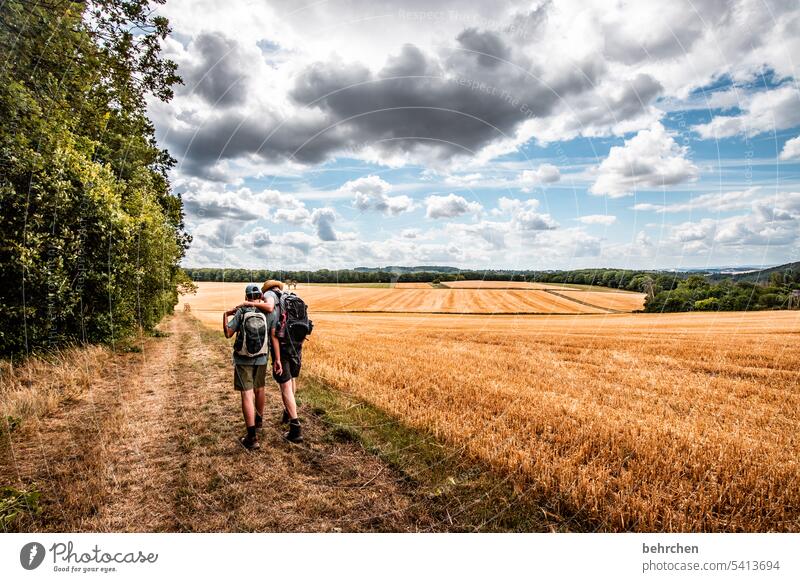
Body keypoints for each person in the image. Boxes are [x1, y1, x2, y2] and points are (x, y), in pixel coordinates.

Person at [239, 279, 303, 443]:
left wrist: (245, 303)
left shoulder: (269, 295)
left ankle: (295, 428)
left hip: (281, 346)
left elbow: (269, 311)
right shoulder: (287, 295)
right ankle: (288, 414)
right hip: (296, 344)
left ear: (265, 290)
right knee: (291, 381)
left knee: (285, 386)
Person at [223, 284, 273, 451]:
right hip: (262, 356)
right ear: (259, 296)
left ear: (246, 297)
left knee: (246, 393)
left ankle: (251, 438)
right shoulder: (266, 311)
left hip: (243, 358)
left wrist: (225, 315)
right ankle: (258, 421)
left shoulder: (242, 311)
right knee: (260, 389)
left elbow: (228, 333)